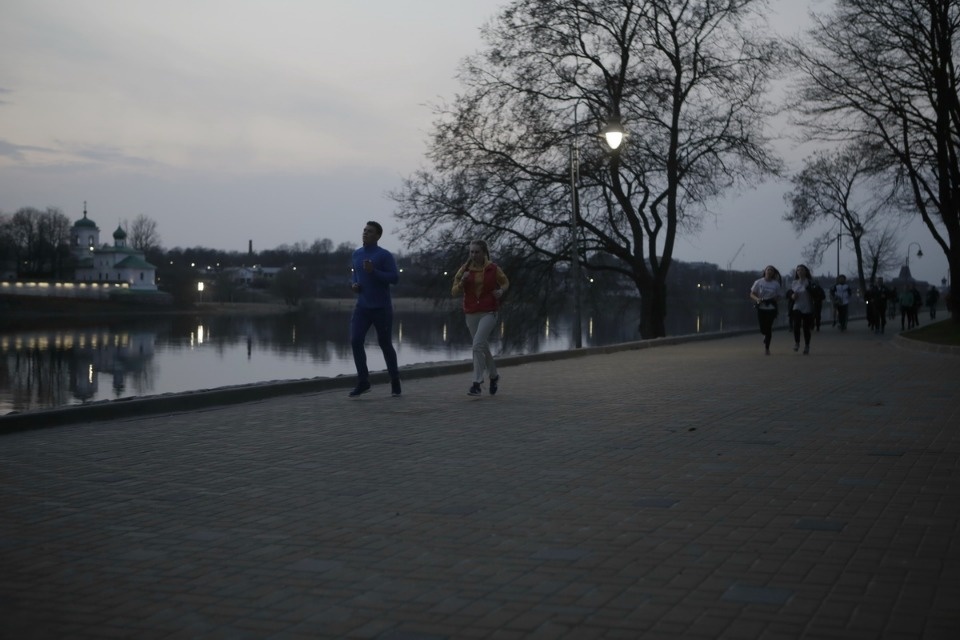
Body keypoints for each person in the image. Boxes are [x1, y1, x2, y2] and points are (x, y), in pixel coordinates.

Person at [348, 221, 401, 398]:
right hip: (362, 307)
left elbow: (394, 278)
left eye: (370, 231)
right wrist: (354, 285)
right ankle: (363, 381)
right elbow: (355, 274)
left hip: (381, 308)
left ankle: (395, 381)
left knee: (385, 344)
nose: (365, 233)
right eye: (364, 230)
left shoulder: (384, 255)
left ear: (378, 236)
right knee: (355, 341)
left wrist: (374, 271)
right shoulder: (356, 254)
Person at [451, 239, 509, 396]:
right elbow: (454, 291)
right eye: (471, 252)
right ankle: (494, 376)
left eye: (477, 252)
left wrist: (501, 291)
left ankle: (476, 383)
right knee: (482, 346)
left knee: (477, 345)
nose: (474, 254)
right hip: (471, 312)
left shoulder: (493, 268)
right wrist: (462, 282)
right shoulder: (464, 270)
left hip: (489, 311)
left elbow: (505, 282)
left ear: (484, 252)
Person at [749, 265, 782, 355]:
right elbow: (752, 294)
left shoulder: (776, 284)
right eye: (768, 270)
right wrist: (757, 299)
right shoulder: (758, 282)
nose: (769, 272)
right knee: (762, 328)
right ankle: (765, 335)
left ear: (773, 273)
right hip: (761, 306)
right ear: (765, 271)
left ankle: (767, 348)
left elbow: (779, 296)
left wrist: (775, 299)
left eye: (771, 270)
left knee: (768, 328)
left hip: (771, 307)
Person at [787, 264, 816, 354]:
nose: (800, 271)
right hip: (797, 306)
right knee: (796, 325)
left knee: (806, 328)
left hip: (807, 307)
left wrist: (809, 288)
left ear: (806, 271)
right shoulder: (794, 283)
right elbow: (789, 293)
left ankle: (807, 345)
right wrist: (792, 296)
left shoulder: (810, 282)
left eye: (802, 270)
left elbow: (815, 293)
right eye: (798, 270)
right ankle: (797, 343)